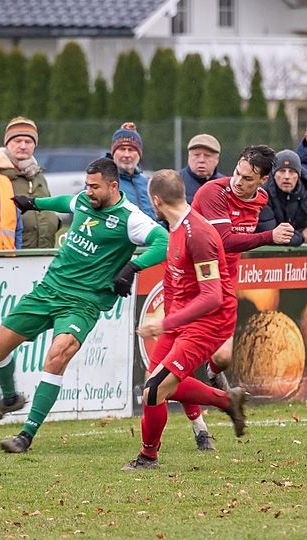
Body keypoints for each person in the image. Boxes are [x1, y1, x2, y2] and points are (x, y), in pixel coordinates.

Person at [0, 157, 168, 453]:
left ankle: (26, 435)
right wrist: (35, 203)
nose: (88, 191)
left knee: (56, 356)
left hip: (83, 303)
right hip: (48, 290)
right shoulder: (84, 200)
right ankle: (10, 398)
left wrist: (132, 268)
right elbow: (68, 200)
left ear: (113, 186)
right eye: (87, 185)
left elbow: (163, 241)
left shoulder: (131, 218)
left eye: (95, 187)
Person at [122, 169, 249, 471]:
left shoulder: (199, 234)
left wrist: (164, 324)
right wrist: (170, 316)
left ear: (155, 200)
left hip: (209, 322)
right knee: (154, 387)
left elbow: (212, 297)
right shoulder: (175, 227)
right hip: (183, 318)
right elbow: (177, 279)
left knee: (155, 390)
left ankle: (148, 458)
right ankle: (226, 401)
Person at [183, 145, 294, 450]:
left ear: (262, 180)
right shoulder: (212, 193)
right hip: (193, 283)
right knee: (179, 362)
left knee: (222, 358)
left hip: (225, 287)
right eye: (236, 173)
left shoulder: (261, 199)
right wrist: (268, 236)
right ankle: (200, 429)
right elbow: (225, 241)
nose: (237, 181)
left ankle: (213, 377)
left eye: (247, 178)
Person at [0, 117, 60, 248]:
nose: (23, 146)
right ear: (7, 143)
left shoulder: (38, 175)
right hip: (14, 256)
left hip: (43, 253)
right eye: (17, 141)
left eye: (28, 141)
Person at [257, 149, 307, 245]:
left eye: (292, 171)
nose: (286, 176)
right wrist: (301, 237)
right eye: (282, 171)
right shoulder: (262, 195)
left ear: (298, 175)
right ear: (274, 174)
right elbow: (270, 236)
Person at [110, 122, 156, 220]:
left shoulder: (148, 184)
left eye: (131, 150)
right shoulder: (103, 181)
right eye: (122, 149)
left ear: (139, 154)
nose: (127, 155)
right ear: (113, 153)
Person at [180, 134, 222, 203]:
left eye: (207, 156)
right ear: (189, 157)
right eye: (196, 155)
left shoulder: (226, 185)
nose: (201, 160)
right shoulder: (174, 183)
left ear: (217, 159)